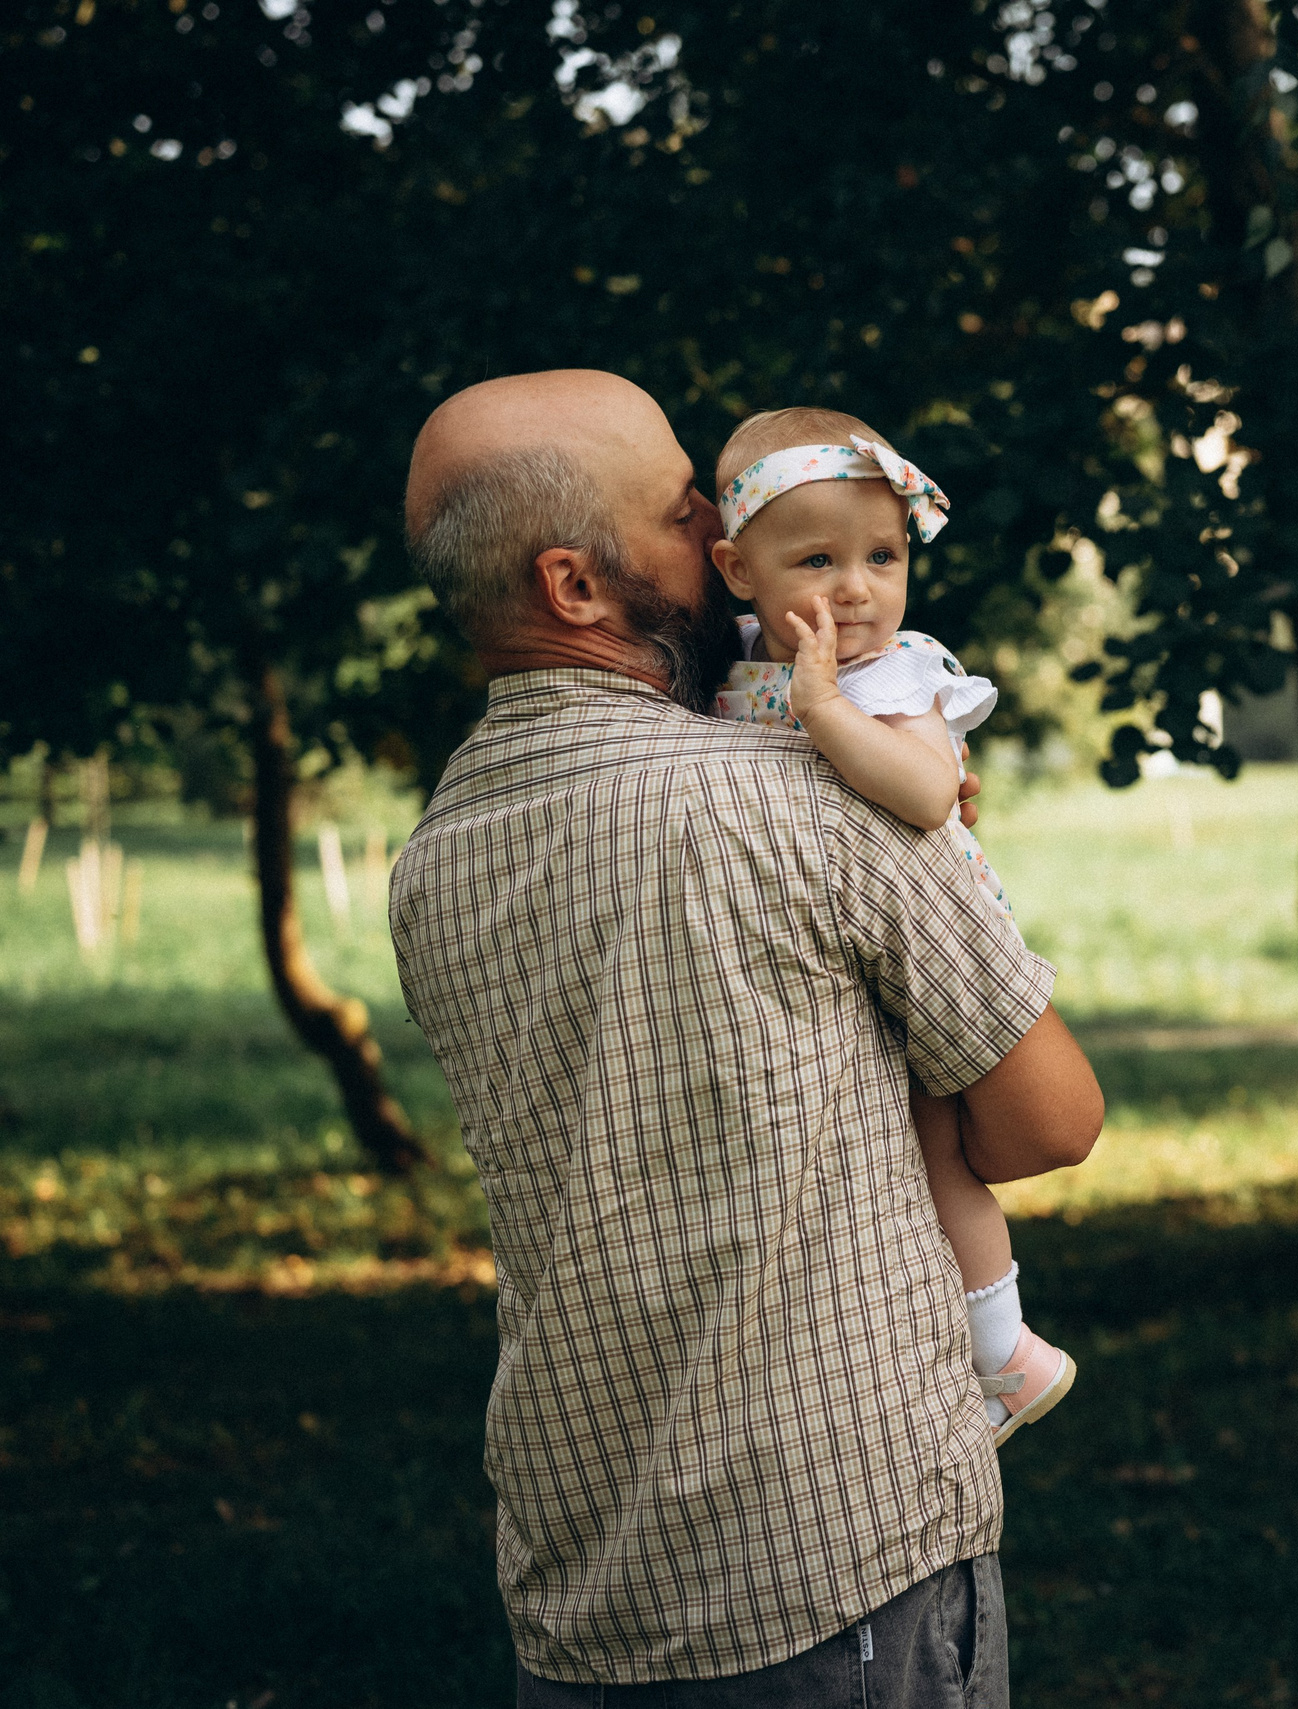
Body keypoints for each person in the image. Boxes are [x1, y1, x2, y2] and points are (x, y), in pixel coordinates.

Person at [391, 369, 1101, 1707]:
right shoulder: (801, 797)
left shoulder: (434, 856)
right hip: (838, 1561)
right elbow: (1048, 1122)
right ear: (576, 588)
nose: (730, 547)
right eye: (684, 517)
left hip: (584, 1577)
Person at [705, 405, 1074, 1447]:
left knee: (934, 1150)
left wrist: (828, 711)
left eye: (883, 554)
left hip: (932, 954)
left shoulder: (885, 675)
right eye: (816, 558)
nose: (856, 587)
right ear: (739, 571)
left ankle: (1005, 1350)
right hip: (826, 955)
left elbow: (923, 788)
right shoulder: (733, 659)